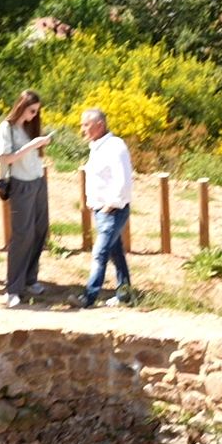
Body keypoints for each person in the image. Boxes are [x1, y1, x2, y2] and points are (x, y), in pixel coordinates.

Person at [0, 90, 53, 308]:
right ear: (21, 106)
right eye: (31, 110)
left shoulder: (30, 126)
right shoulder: (6, 128)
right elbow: (6, 157)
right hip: (20, 183)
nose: (34, 115)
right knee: (22, 235)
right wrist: (33, 145)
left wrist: (38, 143)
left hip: (38, 181)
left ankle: (30, 278)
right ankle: (13, 288)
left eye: (37, 111)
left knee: (40, 231)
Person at [79, 107, 134, 308]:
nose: (82, 129)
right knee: (115, 253)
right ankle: (125, 293)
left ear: (99, 125)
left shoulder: (115, 147)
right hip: (101, 210)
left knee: (99, 253)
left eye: (86, 125)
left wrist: (111, 205)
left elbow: (123, 178)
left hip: (112, 211)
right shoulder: (97, 146)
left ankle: (89, 297)